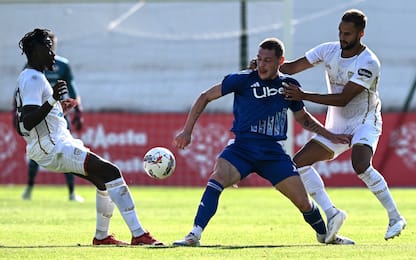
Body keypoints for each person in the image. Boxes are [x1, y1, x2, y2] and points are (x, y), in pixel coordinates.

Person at [172, 37, 355, 247]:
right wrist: (187, 131)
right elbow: (205, 96)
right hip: (242, 148)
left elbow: (303, 118)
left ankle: (325, 236)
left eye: (267, 60)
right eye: (259, 59)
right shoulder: (242, 80)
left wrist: (330, 135)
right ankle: (194, 234)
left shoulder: (289, 85)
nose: (261, 64)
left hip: (272, 154)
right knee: (218, 177)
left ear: (280, 61)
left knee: (304, 203)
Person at [14, 28, 164, 246]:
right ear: (36, 50)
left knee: (103, 180)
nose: (53, 53)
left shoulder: (30, 76)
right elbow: (27, 121)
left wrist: (57, 109)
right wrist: (52, 100)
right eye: (48, 48)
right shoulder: (34, 78)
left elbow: (27, 121)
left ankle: (102, 237)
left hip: (54, 142)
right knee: (111, 172)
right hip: (52, 146)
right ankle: (139, 235)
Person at [279, 9, 406, 241]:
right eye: (340, 32)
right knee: (298, 163)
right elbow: (290, 68)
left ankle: (395, 217)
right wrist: (265, 65)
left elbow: (343, 98)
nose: (342, 37)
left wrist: (303, 95)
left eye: (348, 34)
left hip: (365, 122)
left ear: (361, 34)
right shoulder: (328, 50)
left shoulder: (369, 62)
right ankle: (332, 213)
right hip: (338, 124)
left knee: (360, 165)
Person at [21, 32, 84, 202]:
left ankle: (71, 192)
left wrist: (77, 111)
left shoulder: (62, 65)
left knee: (66, 149)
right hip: (40, 114)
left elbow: (72, 88)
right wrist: (16, 110)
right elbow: (22, 92)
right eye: (48, 45)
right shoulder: (32, 69)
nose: (52, 49)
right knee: (38, 150)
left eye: (52, 44)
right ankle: (29, 188)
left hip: (58, 114)